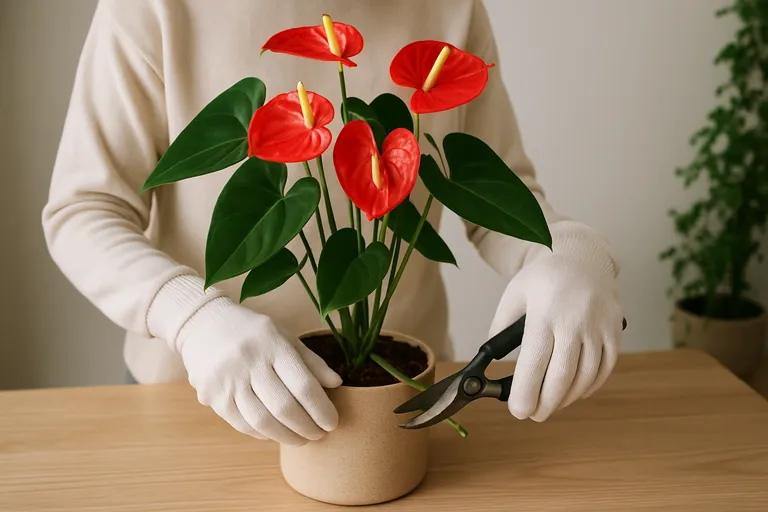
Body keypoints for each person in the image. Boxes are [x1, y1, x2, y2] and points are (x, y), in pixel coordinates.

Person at [43, 0, 624, 446]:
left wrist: (570, 253)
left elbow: (497, 200)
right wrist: (191, 317)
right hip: (196, 396)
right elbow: (84, 210)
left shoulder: (450, 6)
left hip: (400, 394)